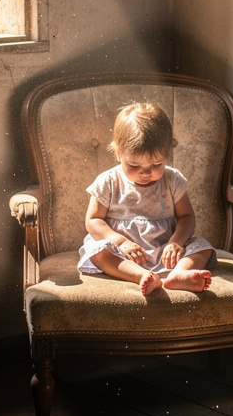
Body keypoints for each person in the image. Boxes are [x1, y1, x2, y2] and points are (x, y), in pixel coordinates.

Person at [78, 101, 216, 296]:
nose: (146, 173)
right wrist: (120, 242)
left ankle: (179, 274)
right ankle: (140, 276)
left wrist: (176, 243)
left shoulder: (172, 179)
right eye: (134, 165)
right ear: (118, 153)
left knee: (202, 247)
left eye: (157, 164)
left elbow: (187, 217)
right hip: (123, 253)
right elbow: (93, 221)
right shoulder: (108, 181)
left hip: (164, 251)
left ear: (167, 154)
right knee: (98, 250)